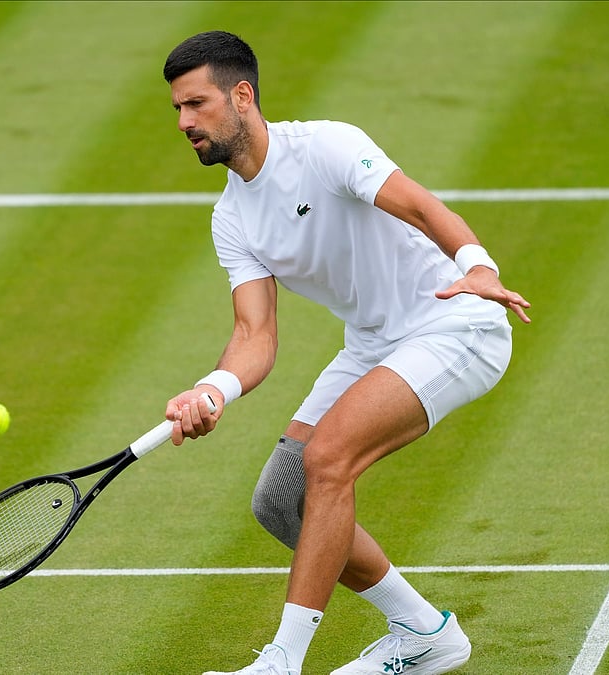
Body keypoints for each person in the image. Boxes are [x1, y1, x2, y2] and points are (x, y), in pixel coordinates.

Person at [161, 31, 530, 675]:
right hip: (375, 342)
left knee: (328, 459)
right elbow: (256, 336)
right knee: (281, 499)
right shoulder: (231, 218)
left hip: (454, 322)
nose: (186, 122)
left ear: (241, 96)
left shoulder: (326, 146)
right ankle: (425, 632)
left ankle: (282, 662)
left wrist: (476, 265)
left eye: (197, 104)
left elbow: (416, 203)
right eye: (178, 111)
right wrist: (212, 390)